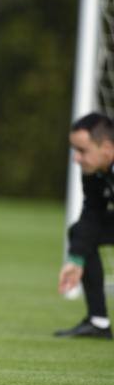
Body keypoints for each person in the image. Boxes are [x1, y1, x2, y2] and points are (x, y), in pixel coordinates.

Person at [55, 112, 114, 339]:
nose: (76, 158)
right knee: (80, 232)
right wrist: (76, 259)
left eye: (82, 151)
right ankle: (98, 322)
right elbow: (93, 213)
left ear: (107, 148)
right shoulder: (93, 171)